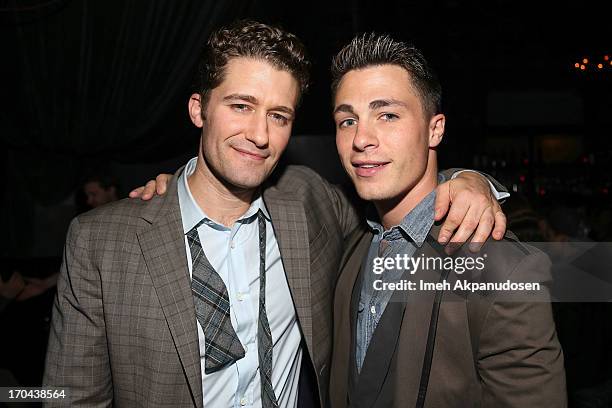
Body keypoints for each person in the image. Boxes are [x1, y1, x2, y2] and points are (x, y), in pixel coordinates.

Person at [44, 21, 507, 407]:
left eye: (279, 116)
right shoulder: (100, 241)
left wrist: (468, 179)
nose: (259, 135)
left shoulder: (308, 200)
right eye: (241, 106)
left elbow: (397, 199)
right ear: (198, 109)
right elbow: (70, 397)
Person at [327, 33, 566, 407]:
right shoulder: (351, 245)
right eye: (347, 121)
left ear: (434, 129)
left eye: (387, 115)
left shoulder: (503, 268)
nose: (362, 138)